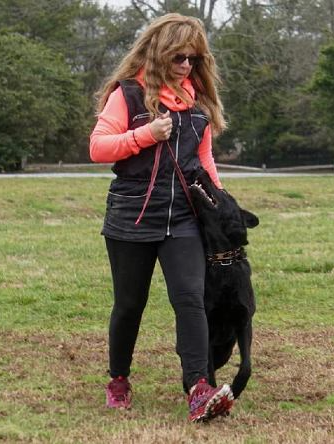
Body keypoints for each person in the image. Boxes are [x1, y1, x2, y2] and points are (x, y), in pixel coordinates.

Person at [89, 13, 232, 423]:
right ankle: (118, 379)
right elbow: (98, 147)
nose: (186, 66)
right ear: (158, 54)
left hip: (184, 221)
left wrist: (218, 204)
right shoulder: (128, 95)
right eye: (179, 58)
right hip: (131, 219)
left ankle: (198, 387)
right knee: (129, 305)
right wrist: (145, 135)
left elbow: (203, 159)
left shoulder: (198, 101)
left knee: (190, 299)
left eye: (193, 59)